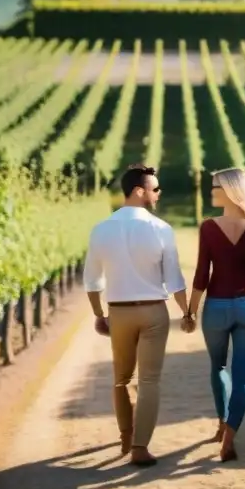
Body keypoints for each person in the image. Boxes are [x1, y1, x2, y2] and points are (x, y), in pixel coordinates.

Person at [82, 164, 194, 467]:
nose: (158, 194)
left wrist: (98, 315)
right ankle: (141, 448)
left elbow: (92, 280)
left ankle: (125, 437)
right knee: (149, 381)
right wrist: (186, 312)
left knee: (121, 379)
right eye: (155, 189)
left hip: (118, 312)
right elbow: (174, 280)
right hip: (154, 312)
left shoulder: (101, 229)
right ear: (139, 191)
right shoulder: (161, 229)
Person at [186, 167, 245, 462]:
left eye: (216, 187)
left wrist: (190, 311)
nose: (212, 192)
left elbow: (201, 274)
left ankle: (222, 423)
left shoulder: (209, 228)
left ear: (230, 190)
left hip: (217, 307)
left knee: (218, 367)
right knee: (242, 378)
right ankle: (230, 438)